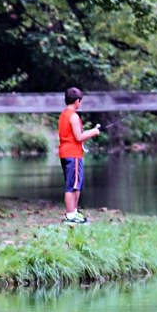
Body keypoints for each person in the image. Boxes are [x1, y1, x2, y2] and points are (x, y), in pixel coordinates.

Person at [58, 87, 101, 224]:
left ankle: (74, 212)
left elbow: (73, 135)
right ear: (77, 101)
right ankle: (71, 216)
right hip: (73, 155)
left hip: (65, 152)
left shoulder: (64, 114)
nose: (80, 103)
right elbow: (79, 137)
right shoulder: (74, 116)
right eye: (80, 101)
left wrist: (90, 132)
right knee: (72, 186)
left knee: (75, 184)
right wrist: (94, 132)